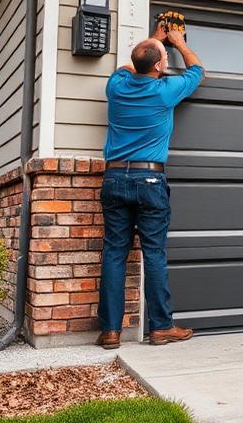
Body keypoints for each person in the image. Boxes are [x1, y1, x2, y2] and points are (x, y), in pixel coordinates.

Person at [95, 17, 204, 349]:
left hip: (114, 177)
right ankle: (160, 327)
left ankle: (111, 331)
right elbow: (197, 70)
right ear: (159, 66)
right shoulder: (165, 91)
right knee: (153, 252)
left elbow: (131, 64)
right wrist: (178, 41)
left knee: (114, 252)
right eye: (163, 60)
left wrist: (153, 40)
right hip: (150, 179)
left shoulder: (116, 86)